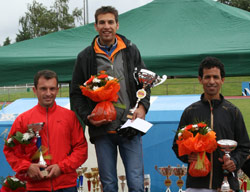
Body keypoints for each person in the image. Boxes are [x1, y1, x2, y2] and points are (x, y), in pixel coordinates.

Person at [70, 6, 150, 192]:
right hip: (102, 131)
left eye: (110, 22)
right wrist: (88, 116)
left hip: (129, 126)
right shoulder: (85, 56)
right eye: (102, 22)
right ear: (96, 26)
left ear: (117, 24)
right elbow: (76, 93)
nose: (107, 26)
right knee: (109, 185)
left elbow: (145, 82)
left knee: (136, 184)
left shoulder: (130, 50)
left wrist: (143, 108)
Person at [172, 57, 250, 192]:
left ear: (222, 80)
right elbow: (176, 145)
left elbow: (245, 147)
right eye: (207, 77)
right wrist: (187, 156)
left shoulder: (233, 112)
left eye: (216, 77)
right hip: (196, 184)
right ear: (200, 79)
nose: (212, 81)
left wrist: (234, 162)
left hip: (226, 184)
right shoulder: (190, 112)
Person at [4, 70, 88, 192]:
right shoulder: (23, 120)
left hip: (66, 185)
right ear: (34, 90)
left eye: (52, 89)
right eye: (43, 89)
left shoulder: (70, 117)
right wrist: (27, 167)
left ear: (57, 90)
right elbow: (10, 151)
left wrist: (61, 167)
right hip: (36, 186)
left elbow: (81, 149)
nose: (48, 93)